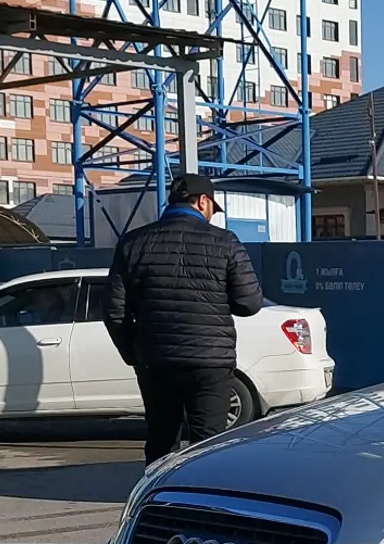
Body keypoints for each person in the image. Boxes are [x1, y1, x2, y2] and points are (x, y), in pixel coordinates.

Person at [104, 172, 264, 464]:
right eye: (212, 208)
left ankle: (158, 489)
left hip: (155, 361)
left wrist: (134, 353)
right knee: (209, 444)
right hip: (210, 362)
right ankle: (202, 490)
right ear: (203, 202)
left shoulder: (133, 243)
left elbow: (114, 309)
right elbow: (249, 303)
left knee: (161, 439)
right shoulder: (225, 242)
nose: (212, 215)